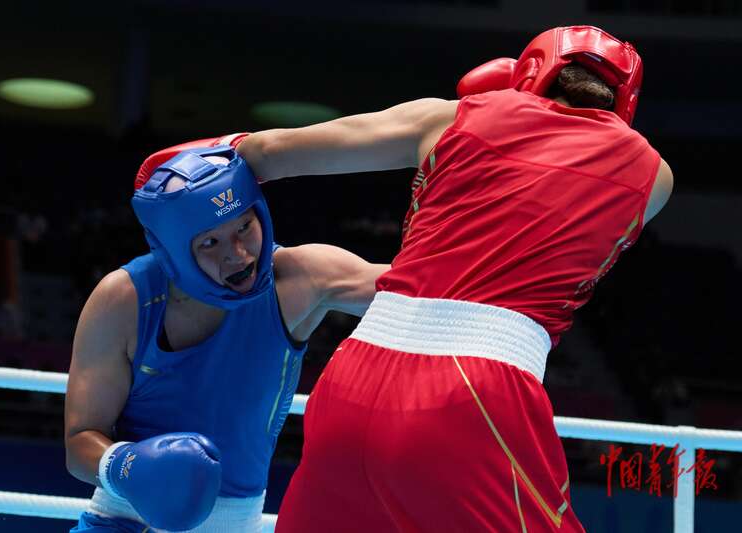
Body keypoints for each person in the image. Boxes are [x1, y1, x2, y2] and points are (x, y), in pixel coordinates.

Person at [237, 26, 673, 532]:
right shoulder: (654, 175)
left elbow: (268, 151)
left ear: (531, 71)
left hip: (350, 376)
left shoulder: (450, 117)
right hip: (475, 390)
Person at [64, 133, 388, 532]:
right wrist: (130, 467)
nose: (238, 254)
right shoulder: (125, 299)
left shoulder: (300, 279)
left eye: (244, 227)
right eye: (210, 242)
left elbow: (422, 289)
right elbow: (80, 441)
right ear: (174, 251)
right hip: (121, 522)